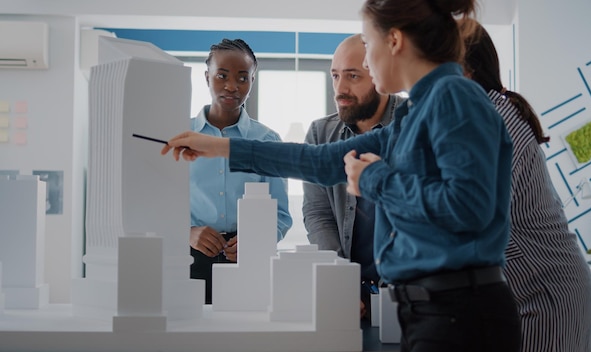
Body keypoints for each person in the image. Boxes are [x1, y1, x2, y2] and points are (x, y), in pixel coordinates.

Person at [162, 0, 521, 350]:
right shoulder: (415, 113)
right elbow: (320, 162)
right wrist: (220, 147)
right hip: (428, 310)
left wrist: (374, 180)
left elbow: (468, 206)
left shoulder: (454, 97)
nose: (366, 58)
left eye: (367, 44)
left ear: (394, 41)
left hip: (459, 314)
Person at [461, 19, 591, 352]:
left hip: (544, 290)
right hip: (528, 287)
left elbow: (477, 216)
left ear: (465, 71)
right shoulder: (481, 113)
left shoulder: (492, 120)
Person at [302, 34, 405, 321]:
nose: (340, 89)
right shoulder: (320, 134)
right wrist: (340, 281)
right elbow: (318, 213)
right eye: (335, 76)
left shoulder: (415, 124)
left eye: (353, 76)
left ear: (380, 76)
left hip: (408, 291)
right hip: (347, 295)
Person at [189, 38, 292, 304]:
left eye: (243, 78)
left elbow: (280, 214)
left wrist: (258, 240)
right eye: (222, 75)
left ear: (252, 82)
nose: (232, 86)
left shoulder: (267, 141)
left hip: (249, 259)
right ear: (207, 77)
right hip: (188, 256)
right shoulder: (180, 135)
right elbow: (157, 204)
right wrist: (185, 232)